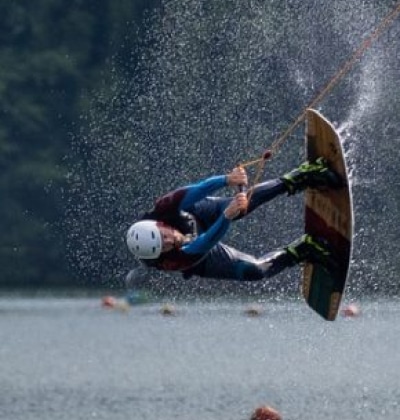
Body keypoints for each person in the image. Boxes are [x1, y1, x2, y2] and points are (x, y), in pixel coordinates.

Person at [125, 158, 342, 282]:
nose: (171, 241)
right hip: (201, 257)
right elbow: (206, 243)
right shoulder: (171, 260)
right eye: (166, 246)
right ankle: (303, 249)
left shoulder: (163, 208)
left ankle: (300, 177)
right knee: (254, 272)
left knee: (241, 206)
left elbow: (196, 190)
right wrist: (226, 216)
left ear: (161, 225)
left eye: (166, 236)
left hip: (197, 214)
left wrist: (228, 179)